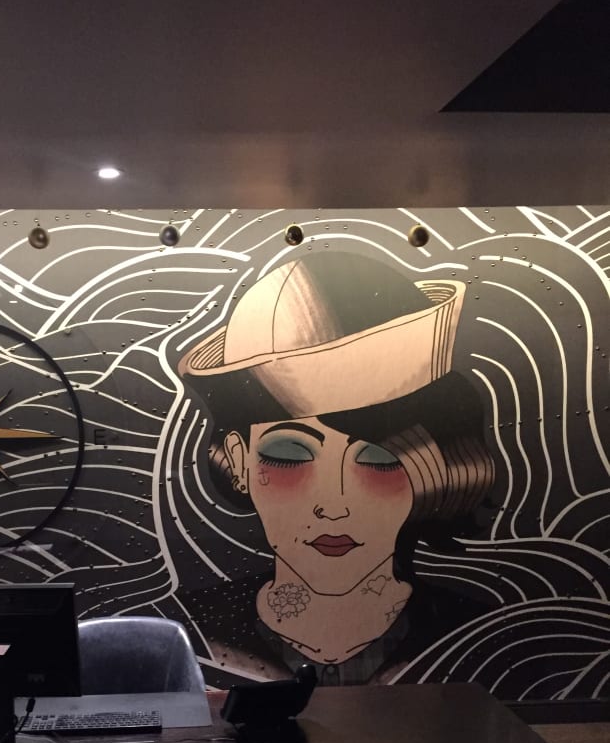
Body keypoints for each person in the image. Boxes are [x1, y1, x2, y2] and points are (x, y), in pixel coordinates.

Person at [178, 251, 495, 686]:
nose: (334, 507)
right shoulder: (186, 636)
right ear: (239, 461)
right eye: (290, 456)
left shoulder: (478, 639)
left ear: (430, 466)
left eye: (378, 460)